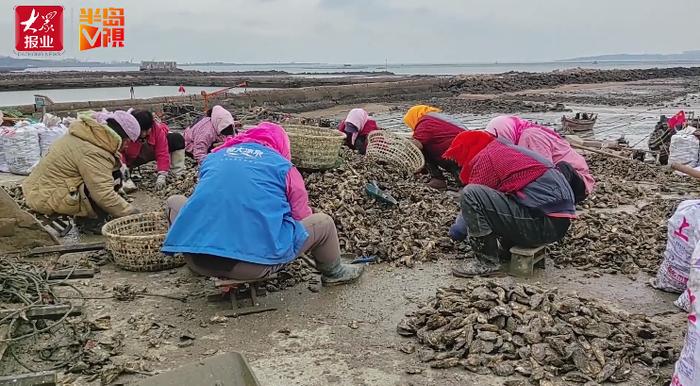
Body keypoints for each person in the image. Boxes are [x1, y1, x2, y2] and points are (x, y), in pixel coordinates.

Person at [162, 122, 364, 286]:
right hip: (252, 266)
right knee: (323, 223)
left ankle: (194, 259)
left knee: (174, 201)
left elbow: (208, 199)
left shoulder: (214, 158)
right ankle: (334, 272)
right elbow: (301, 218)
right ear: (281, 145)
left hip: (196, 259)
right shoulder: (284, 168)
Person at [444, 131, 575, 277]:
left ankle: (486, 263)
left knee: (470, 193)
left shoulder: (487, 157)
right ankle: (507, 249)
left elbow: (470, 212)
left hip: (542, 226)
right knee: (499, 198)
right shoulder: (507, 150)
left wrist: (455, 233)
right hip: (556, 225)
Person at [22, 111, 140, 231]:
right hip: (45, 197)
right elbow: (103, 194)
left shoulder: (88, 135)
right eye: (127, 141)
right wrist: (131, 213)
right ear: (119, 136)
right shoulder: (93, 151)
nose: (127, 146)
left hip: (39, 190)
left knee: (112, 173)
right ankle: (92, 222)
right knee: (103, 183)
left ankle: (89, 217)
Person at [485, 115, 594, 203]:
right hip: (561, 182)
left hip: (577, 183)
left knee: (557, 169)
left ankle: (552, 203)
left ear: (506, 132)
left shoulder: (531, 136)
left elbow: (543, 171)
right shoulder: (520, 138)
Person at [403, 105, 467, 190]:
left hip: (457, 157)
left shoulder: (425, 123)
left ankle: (438, 179)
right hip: (468, 153)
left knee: (421, 149)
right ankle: (462, 180)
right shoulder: (438, 118)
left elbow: (416, 146)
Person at [122, 110, 186, 191]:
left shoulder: (156, 129)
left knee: (176, 138)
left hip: (149, 152)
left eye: (147, 130)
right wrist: (123, 168)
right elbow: (120, 153)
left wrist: (162, 174)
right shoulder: (125, 131)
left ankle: (177, 174)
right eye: (141, 131)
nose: (144, 134)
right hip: (130, 159)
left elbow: (162, 152)